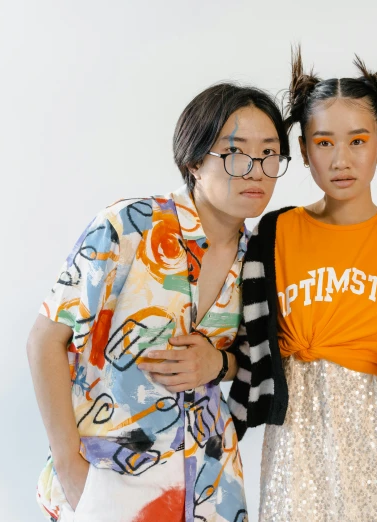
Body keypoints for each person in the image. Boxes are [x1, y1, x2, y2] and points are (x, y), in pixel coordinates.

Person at [27, 83, 290, 522]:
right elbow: (43, 342)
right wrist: (71, 466)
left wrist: (217, 365)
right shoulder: (128, 227)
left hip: (209, 482)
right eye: (236, 153)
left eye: (269, 154)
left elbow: (253, 361)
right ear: (194, 160)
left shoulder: (260, 259)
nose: (256, 170)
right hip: (108, 470)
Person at [227, 51, 377, 521]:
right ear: (302, 151)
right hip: (295, 439)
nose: (341, 160)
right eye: (323, 143)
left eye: (358, 141)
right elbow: (241, 336)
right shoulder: (274, 234)